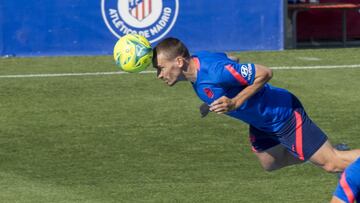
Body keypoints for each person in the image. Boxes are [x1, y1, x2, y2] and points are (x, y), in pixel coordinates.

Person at [151, 37, 360, 173]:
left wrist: (235, 101)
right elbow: (231, 58)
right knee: (271, 163)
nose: (160, 75)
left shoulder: (214, 71)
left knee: (331, 164)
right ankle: (322, 151)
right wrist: (210, 103)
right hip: (261, 123)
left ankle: (332, 154)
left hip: (282, 114)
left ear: (179, 62)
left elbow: (265, 72)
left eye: (161, 68)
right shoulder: (196, 67)